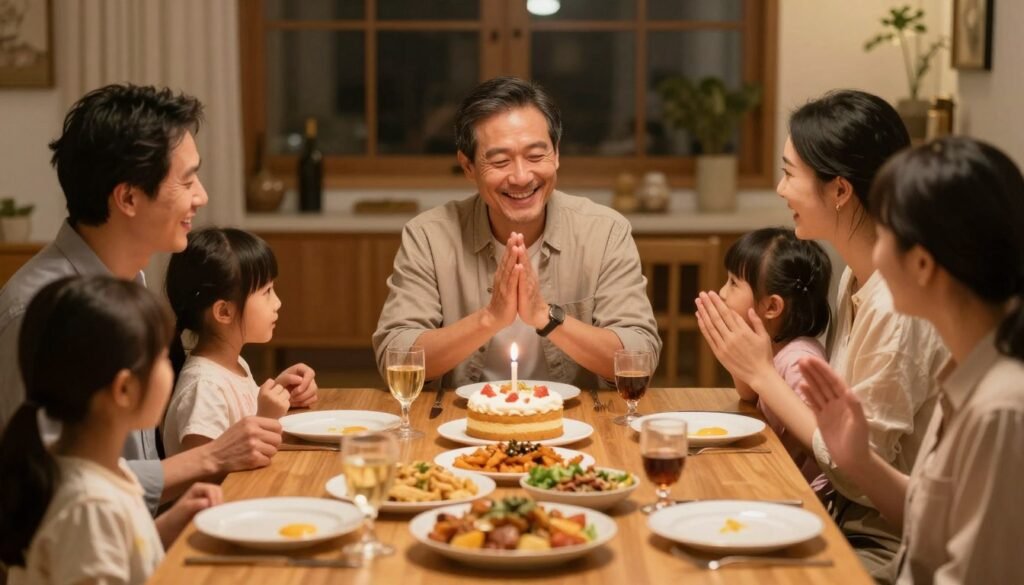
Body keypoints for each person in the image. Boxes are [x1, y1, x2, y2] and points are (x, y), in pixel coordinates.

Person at [694, 89, 948, 581]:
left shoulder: (897, 303)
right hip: (839, 513)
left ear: (839, 190)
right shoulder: (857, 278)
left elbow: (858, 474)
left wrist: (763, 374)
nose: (780, 189)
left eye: (790, 173)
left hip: (886, 541)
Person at [0, 84, 288, 514]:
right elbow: (49, 487)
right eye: (187, 180)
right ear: (129, 197)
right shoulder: (40, 311)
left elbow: (134, 464)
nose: (201, 196)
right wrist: (211, 456)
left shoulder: (127, 279)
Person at [800, 137, 1024, 584]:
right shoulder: (964, 371)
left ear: (921, 264)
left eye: (883, 235)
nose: (874, 254)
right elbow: (926, 523)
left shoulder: (1001, 408)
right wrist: (859, 458)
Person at [373, 77, 660, 388]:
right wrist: (489, 319)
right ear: (468, 166)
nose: (522, 177)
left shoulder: (605, 232)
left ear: (557, 154)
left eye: (536, 156)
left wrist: (546, 317)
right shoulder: (428, 236)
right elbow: (395, 357)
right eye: (500, 161)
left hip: (576, 423)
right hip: (462, 421)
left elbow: (639, 354)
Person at [0, 276, 223, 585]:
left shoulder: (94, 470)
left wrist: (172, 522)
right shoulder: (89, 508)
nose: (169, 369)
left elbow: (117, 554)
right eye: (161, 357)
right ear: (124, 389)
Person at [163, 227, 318, 456]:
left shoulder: (235, 365)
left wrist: (282, 393)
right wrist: (266, 418)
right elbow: (201, 476)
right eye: (267, 292)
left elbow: (243, 417)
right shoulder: (204, 388)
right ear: (224, 311)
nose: (278, 303)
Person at [717, 227, 832, 498]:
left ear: (771, 307)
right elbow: (748, 395)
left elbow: (805, 446)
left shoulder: (798, 361)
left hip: (800, 497)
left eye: (733, 283)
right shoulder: (774, 346)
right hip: (774, 479)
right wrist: (733, 355)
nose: (722, 292)